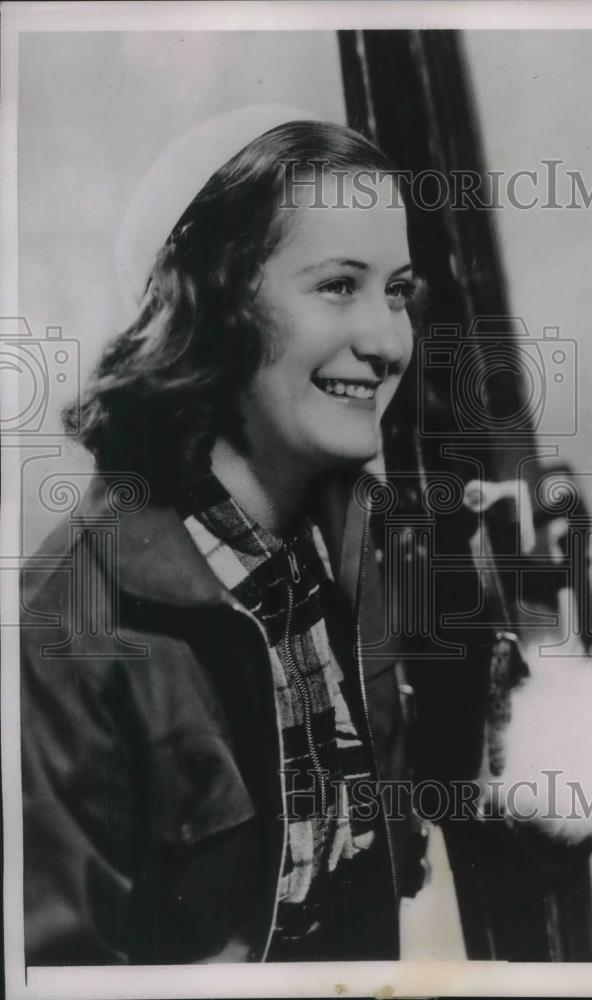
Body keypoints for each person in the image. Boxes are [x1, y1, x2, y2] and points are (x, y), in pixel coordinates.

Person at [20, 106, 428, 965]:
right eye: (337, 285)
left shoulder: (363, 552)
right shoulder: (61, 631)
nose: (387, 341)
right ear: (209, 304)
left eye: (398, 291)